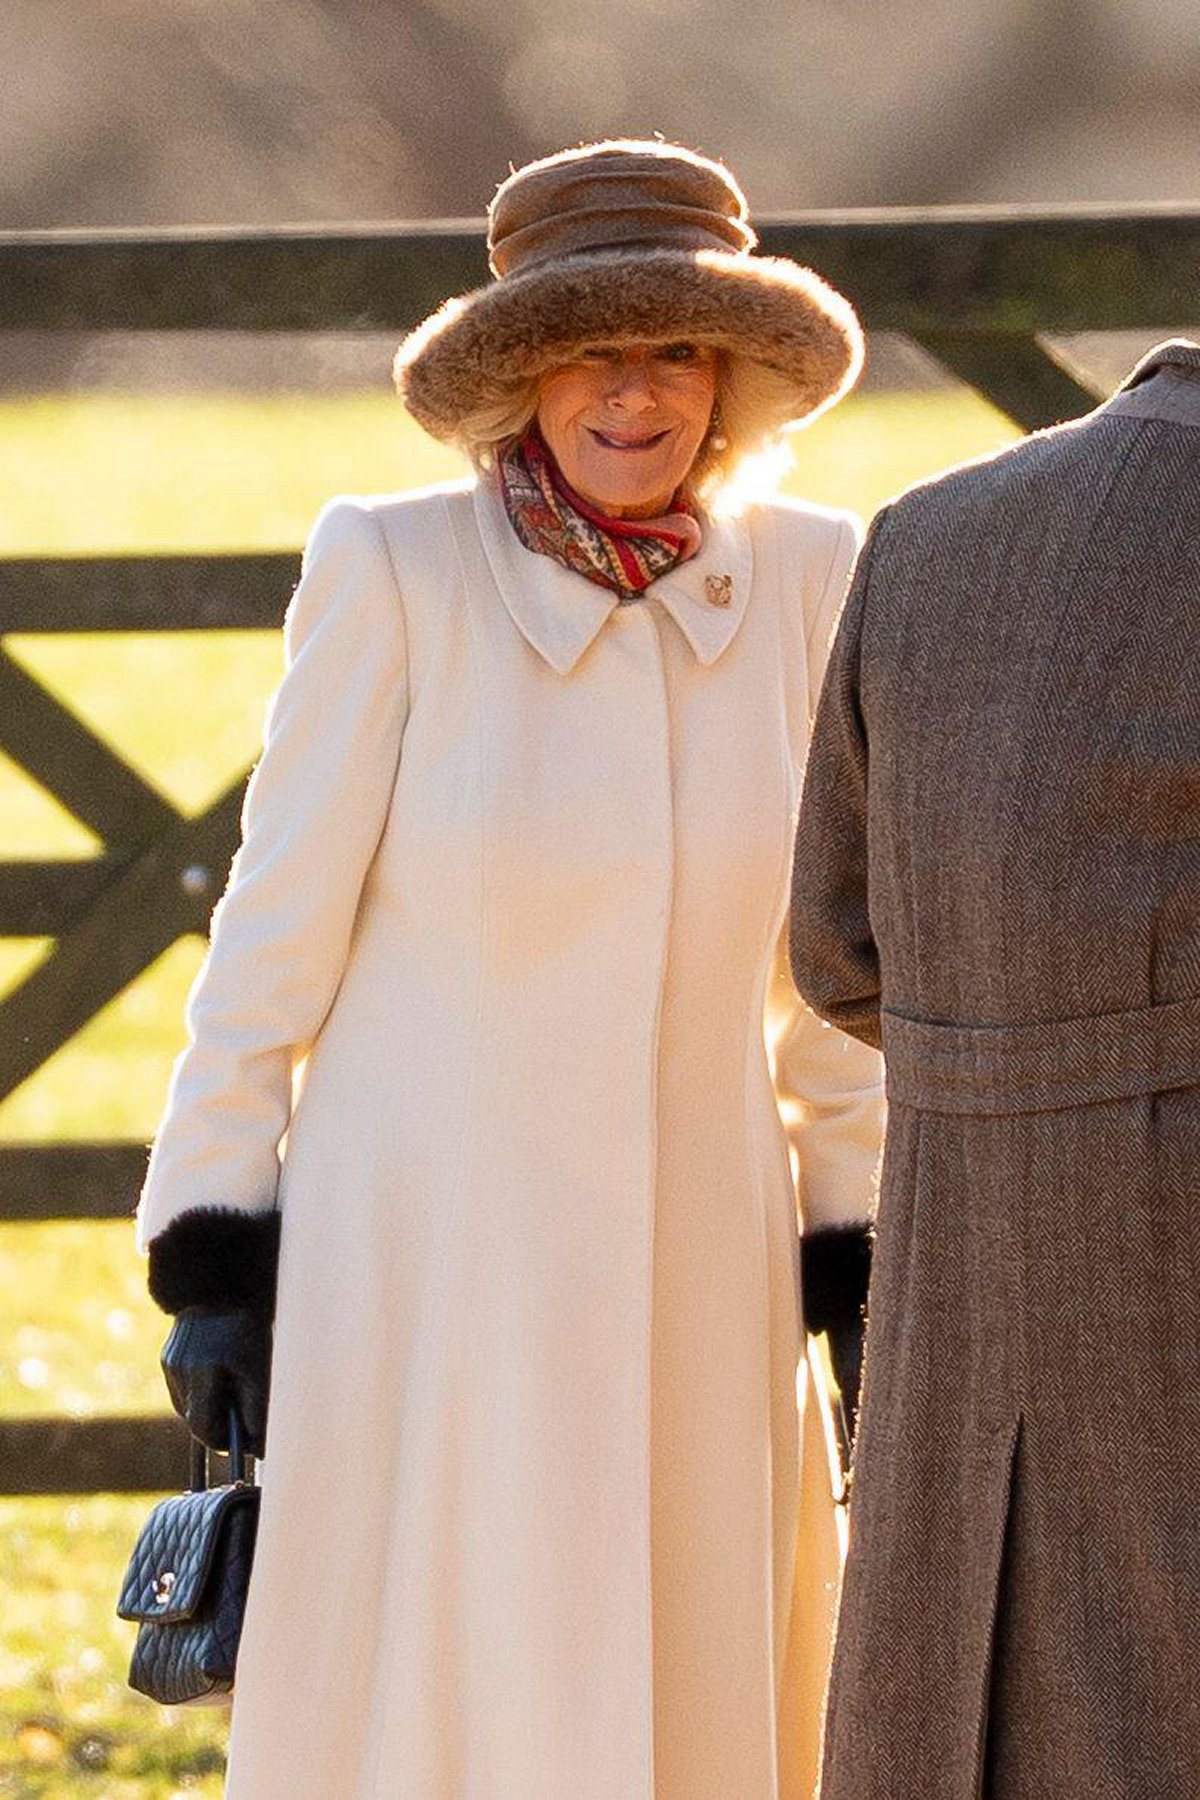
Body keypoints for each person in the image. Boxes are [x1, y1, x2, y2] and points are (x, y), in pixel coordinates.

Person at [137, 138, 884, 1800]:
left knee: (695, 1682)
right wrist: (215, 1251)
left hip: (707, 1252)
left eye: (677, 349)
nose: (639, 395)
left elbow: (840, 969)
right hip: (430, 1255)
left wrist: (859, 1251)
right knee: (455, 1691)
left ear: (734, 376)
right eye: (591, 351)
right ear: (519, 378)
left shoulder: (820, 581)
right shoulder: (392, 569)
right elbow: (276, 930)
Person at [790, 338, 1200, 1800]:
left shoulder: (930, 533)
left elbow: (836, 950)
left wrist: (1021, 1059)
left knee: (958, 1701)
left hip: (967, 1275)